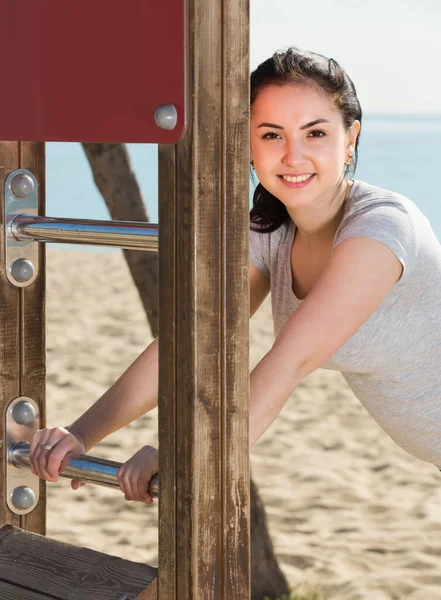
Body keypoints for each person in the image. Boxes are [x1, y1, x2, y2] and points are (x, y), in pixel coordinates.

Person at [30, 47, 441, 504]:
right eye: (271, 135)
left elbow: (289, 363)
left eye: (316, 133)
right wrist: (83, 432)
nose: (293, 155)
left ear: (350, 139)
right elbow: (191, 340)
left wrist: (184, 454)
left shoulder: (382, 229)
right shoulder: (269, 233)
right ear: (247, 145)